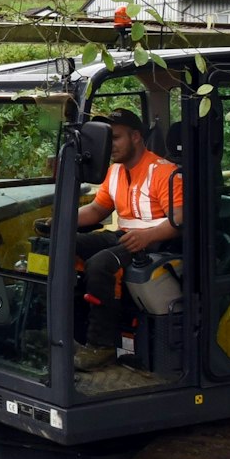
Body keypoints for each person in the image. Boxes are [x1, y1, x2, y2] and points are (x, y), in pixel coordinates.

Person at [72, 109, 182, 369]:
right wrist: (61, 220)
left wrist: (148, 236)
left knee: (101, 264)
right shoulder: (115, 171)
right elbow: (97, 210)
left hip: (156, 243)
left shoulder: (164, 172)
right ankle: (67, 329)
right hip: (124, 237)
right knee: (63, 246)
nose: (110, 145)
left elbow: (180, 220)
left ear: (135, 137)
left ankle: (102, 346)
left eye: (116, 138)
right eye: (107, 139)